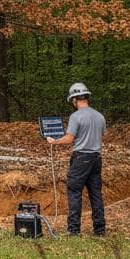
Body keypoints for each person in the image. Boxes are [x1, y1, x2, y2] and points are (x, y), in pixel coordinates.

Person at [45, 82, 106, 236]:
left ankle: (73, 229)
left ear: (74, 99)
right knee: (96, 194)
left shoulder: (76, 116)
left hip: (81, 158)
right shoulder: (100, 116)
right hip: (96, 158)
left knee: (74, 191)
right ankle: (99, 229)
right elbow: (102, 135)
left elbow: (69, 138)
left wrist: (54, 141)